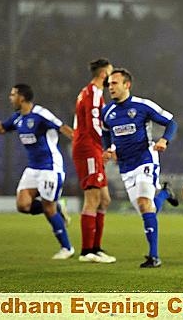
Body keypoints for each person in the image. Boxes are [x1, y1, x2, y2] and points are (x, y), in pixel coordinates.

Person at [0, 84, 75, 259]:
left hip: (50, 167)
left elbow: (64, 128)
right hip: (33, 168)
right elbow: (0, 128)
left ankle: (67, 248)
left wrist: (84, 145)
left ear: (22, 97)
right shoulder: (18, 118)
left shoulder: (41, 114)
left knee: (48, 208)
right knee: (23, 205)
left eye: (13, 94)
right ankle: (57, 206)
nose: (10, 97)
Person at [101, 68, 178, 268]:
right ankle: (164, 194)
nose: (110, 87)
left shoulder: (142, 106)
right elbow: (106, 133)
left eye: (114, 83)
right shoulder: (107, 112)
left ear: (127, 85)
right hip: (125, 166)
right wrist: (108, 149)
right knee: (146, 209)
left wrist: (164, 140)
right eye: (109, 84)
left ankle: (154, 257)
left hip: (145, 159)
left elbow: (171, 123)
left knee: (144, 204)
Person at [72, 58, 116, 263]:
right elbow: (93, 125)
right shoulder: (92, 93)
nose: (113, 77)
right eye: (111, 72)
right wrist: (102, 149)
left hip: (92, 147)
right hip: (88, 148)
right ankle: (86, 251)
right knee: (92, 199)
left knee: (104, 199)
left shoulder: (91, 93)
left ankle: (95, 248)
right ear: (103, 74)